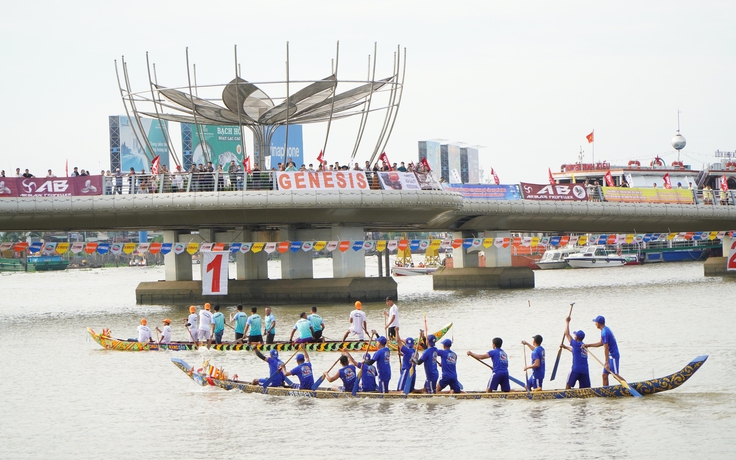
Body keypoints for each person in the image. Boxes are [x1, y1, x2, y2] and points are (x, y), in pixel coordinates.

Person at [585, 315, 620, 386]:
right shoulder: (604, 330)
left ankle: (629, 389)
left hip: (613, 356)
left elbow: (606, 348)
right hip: (609, 356)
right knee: (604, 375)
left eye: (595, 322)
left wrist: (606, 362)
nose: (595, 324)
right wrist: (588, 345)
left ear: (598, 323)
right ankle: (605, 391)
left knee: (615, 375)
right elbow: (601, 343)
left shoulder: (605, 332)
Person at [560, 316, 590, 389]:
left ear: (576, 337)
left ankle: (566, 397)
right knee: (585, 389)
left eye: (575, 335)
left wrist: (567, 322)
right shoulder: (584, 346)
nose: (574, 336)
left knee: (568, 385)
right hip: (585, 371)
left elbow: (567, 333)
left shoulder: (576, 344)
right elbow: (574, 351)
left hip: (576, 370)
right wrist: (565, 347)